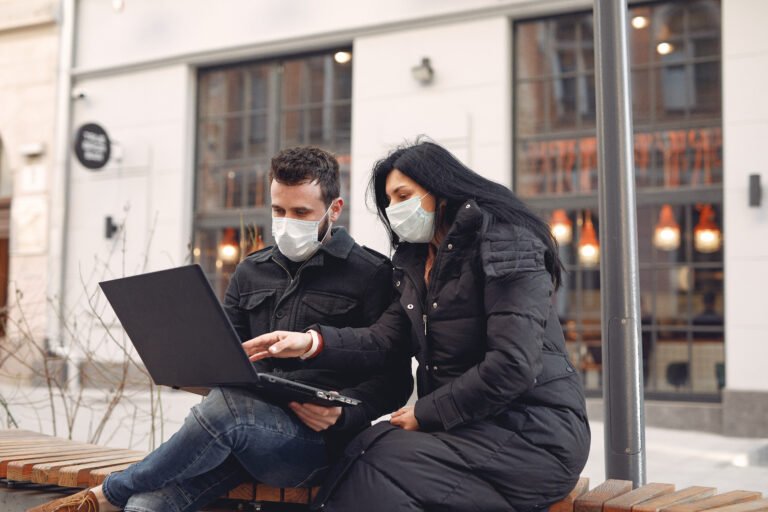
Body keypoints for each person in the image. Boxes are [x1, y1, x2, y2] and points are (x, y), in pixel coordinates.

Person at [31, 146, 413, 512]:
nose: (287, 222)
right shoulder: (250, 271)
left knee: (226, 409)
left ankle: (109, 492)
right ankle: (119, 496)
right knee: (146, 504)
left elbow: (395, 380)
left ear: (334, 209)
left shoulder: (372, 274)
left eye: (301, 212)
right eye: (278, 210)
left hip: (314, 447)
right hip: (236, 433)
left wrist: (343, 414)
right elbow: (225, 356)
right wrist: (186, 359)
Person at [248, 141, 591, 512]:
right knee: (367, 447)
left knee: (378, 463)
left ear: (441, 190)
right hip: (468, 427)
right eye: (389, 200)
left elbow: (513, 364)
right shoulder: (415, 261)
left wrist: (427, 413)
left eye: (403, 195)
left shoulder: (508, 243)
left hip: (534, 434)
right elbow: (384, 339)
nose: (395, 209)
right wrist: (312, 342)